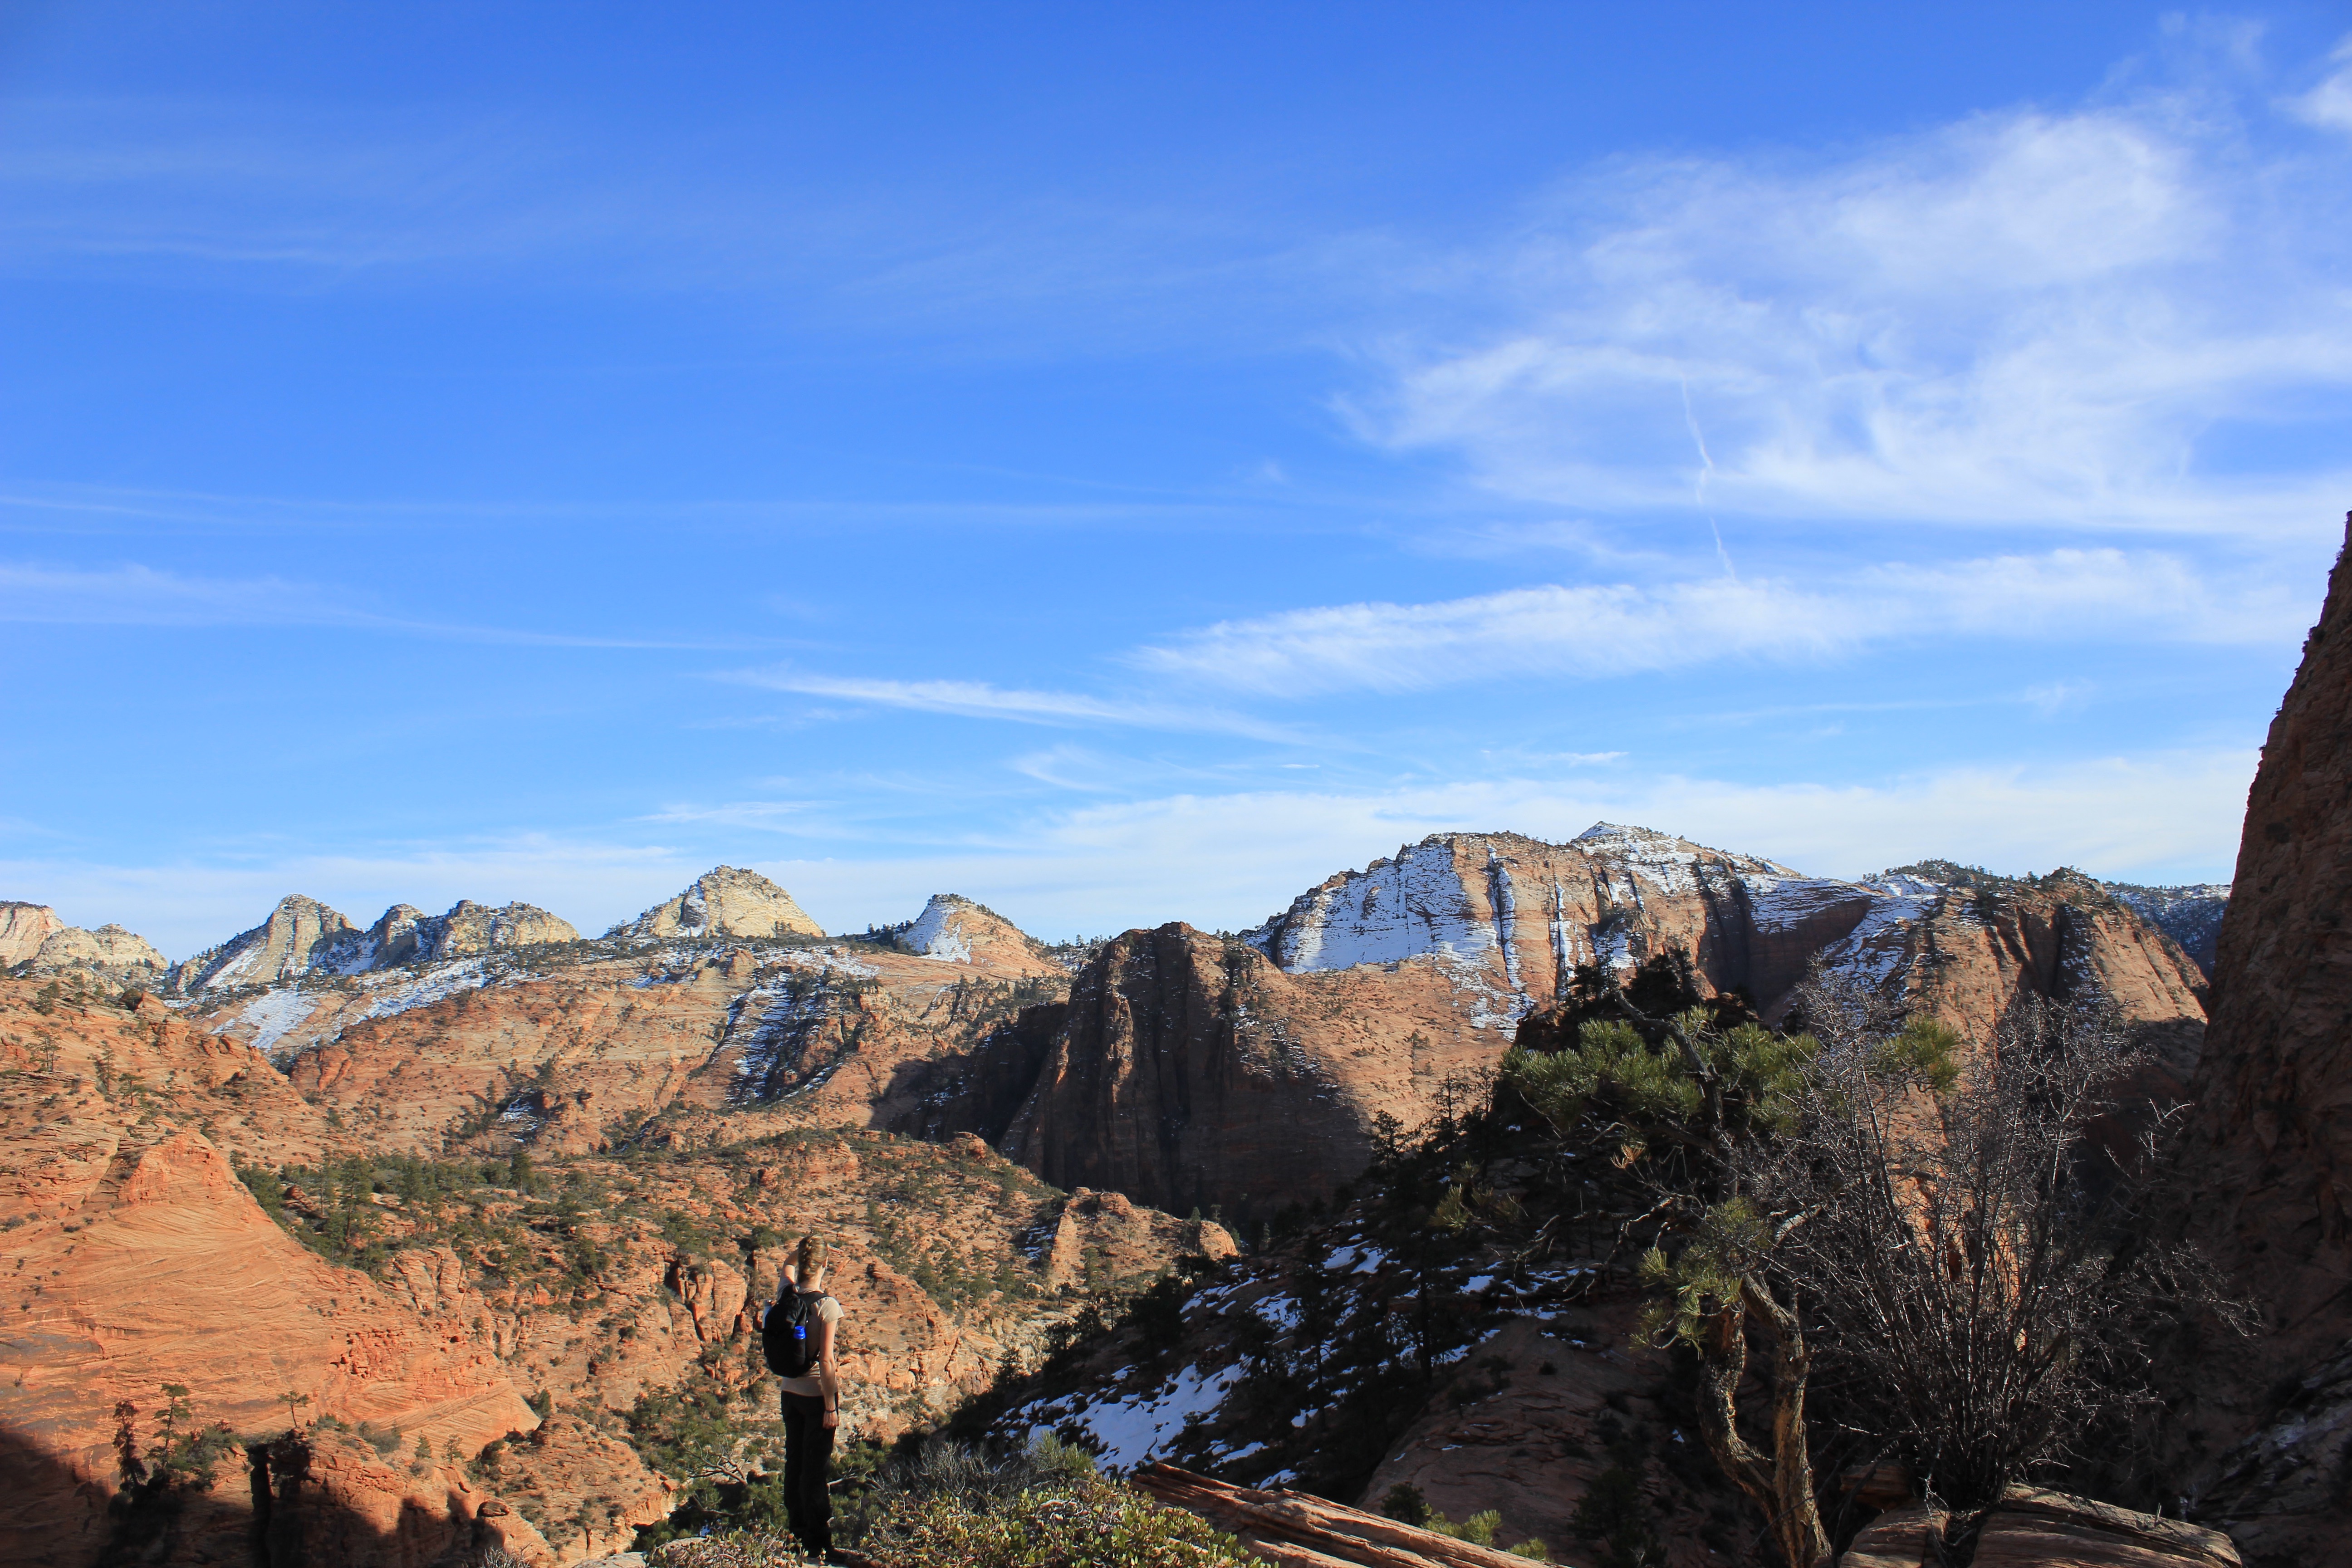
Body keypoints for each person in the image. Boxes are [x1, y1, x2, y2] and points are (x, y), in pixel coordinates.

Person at [775, 1234, 844, 1561]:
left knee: (794, 1464)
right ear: (826, 1265)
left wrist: (799, 1253)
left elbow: (787, 1266)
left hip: (789, 1393)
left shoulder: (786, 1293)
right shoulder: (826, 1306)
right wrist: (830, 1406)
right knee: (815, 1471)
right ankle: (819, 1545)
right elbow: (827, 1361)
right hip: (817, 1397)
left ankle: (797, 1534)